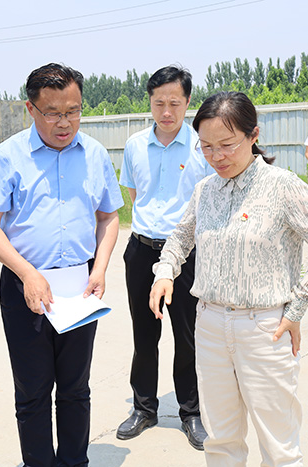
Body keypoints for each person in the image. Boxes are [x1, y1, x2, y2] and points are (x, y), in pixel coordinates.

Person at [149, 92, 308, 466]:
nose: (217, 157)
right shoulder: (204, 190)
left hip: (264, 329)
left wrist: (298, 307)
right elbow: (180, 237)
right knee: (221, 439)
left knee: (278, 445)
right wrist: (165, 272)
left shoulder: (282, 186)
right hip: (209, 325)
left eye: (227, 145)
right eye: (206, 147)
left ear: (253, 135)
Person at [0, 63, 123, 467]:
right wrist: (26, 273)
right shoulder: (8, 156)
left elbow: (109, 217)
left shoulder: (93, 154)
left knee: (76, 387)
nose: (65, 122)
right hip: (25, 287)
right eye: (53, 113)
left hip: (79, 285)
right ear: (31, 109)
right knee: (33, 389)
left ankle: (75, 461)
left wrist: (100, 268)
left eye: (73, 111)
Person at [116, 65, 212, 450]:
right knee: (144, 334)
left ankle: (191, 413)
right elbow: (136, 195)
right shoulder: (135, 144)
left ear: (188, 102)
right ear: (150, 103)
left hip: (187, 255)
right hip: (142, 251)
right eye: (159, 103)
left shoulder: (200, 146)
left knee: (188, 337)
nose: (167, 111)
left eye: (175, 103)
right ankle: (144, 407)